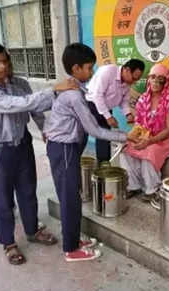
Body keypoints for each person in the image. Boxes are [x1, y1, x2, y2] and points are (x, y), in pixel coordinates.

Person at [0, 41, 75, 265]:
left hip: (23, 145)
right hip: (0, 150)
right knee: (2, 199)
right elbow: (19, 104)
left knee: (28, 191)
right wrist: (53, 90)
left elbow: (34, 109)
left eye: (5, 61)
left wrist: (44, 128)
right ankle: (8, 242)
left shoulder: (19, 84)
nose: (3, 66)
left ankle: (32, 230)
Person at [43, 43, 137, 262]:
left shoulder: (77, 89)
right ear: (76, 69)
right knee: (69, 199)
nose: (92, 72)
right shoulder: (73, 96)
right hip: (63, 148)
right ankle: (71, 248)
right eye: (88, 68)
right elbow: (94, 129)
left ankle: (74, 239)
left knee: (72, 194)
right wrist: (125, 136)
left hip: (65, 146)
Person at [119, 64, 169, 210]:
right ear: (148, 80)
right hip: (146, 136)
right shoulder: (143, 99)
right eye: (152, 77)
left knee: (150, 152)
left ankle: (152, 189)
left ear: (166, 81)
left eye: (160, 79)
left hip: (166, 139)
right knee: (125, 149)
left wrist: (150, 141)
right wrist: (131, 137)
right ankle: (134, 186)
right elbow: (138, 124)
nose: (156, 82)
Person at [86, 59, 145, 162]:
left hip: (106, 108)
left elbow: (124, 101)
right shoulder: (108, 72)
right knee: (83, 133)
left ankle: (103, 165)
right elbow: (97, 95)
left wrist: (128, 114)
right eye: (133, 78)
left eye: (137, 79)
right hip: (90, 105)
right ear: (126, 70)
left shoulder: (127, 82)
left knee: (104, 137)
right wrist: (108, 117)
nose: (134, 82)